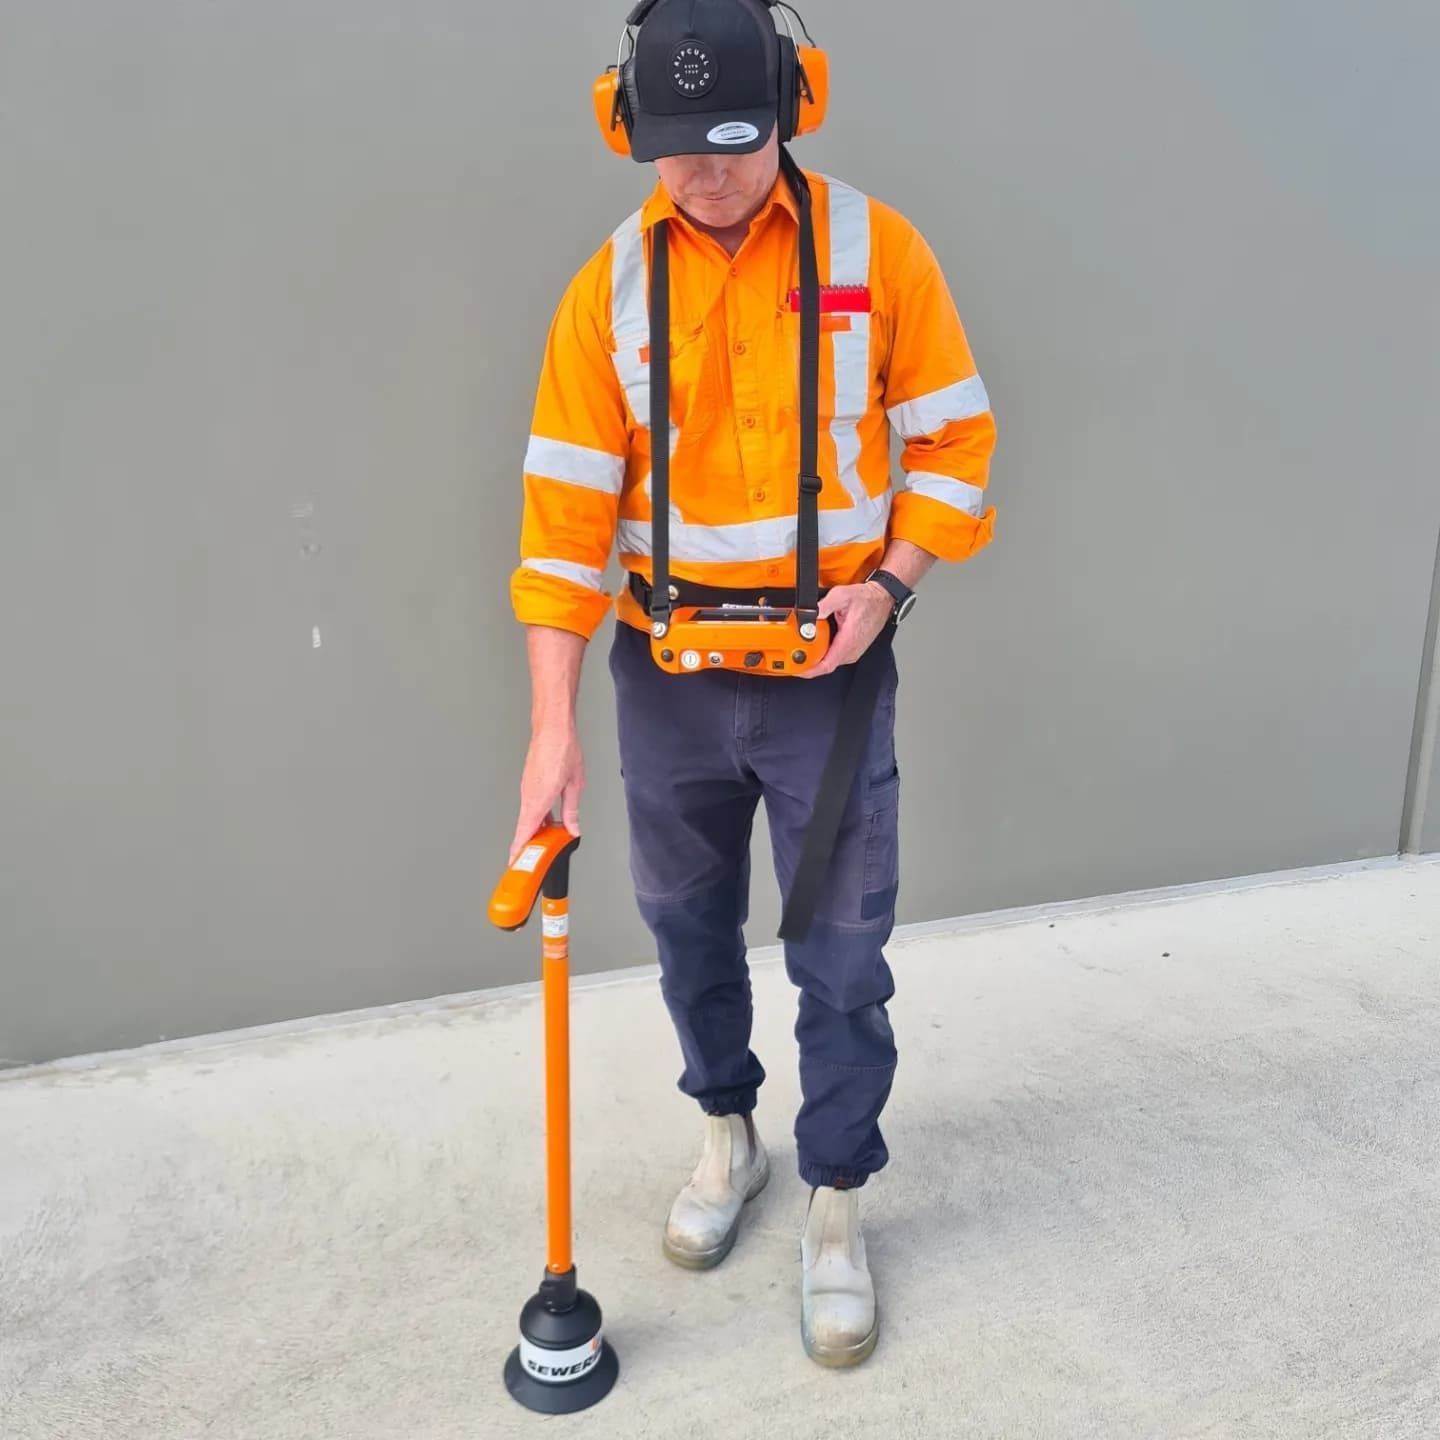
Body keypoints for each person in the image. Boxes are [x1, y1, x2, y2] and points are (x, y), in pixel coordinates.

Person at [508, 0, 996, 1368]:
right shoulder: (605, 291)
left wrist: (888, 582)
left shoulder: (874, 253)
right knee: (685, 928)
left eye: (739, 140)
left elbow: (957, 444)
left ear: (796, 103)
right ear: (625, 125)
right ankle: (728, 1132)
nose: (709, 173)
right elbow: (561, 530)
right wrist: (552, 733)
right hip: (664, 680)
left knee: (844, 957)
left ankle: (837, 1198)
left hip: (827, 677)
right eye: (676, 148)